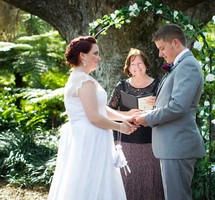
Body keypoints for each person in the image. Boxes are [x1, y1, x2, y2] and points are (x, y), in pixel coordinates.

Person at [48, 36, 137, 200]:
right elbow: (94, 117)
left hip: (88, 136)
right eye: (95, 53)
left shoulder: (79, 78)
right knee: (91, 181)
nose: (99, 57)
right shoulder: (84, 81)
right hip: (90, 138)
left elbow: (101, 109)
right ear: (83, 56)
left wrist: (126, 116)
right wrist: (120, 127)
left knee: (92, 181)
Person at [134, 24, 206, 200]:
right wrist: (156, 104)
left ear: (175, 42)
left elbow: (178, 107)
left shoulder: (187, 65)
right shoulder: (179, 65)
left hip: (177, 145)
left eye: (162, 48)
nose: (160, 54)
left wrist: (148, 118)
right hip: (172, 146)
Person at [108, 48, 164, 200]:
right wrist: (127, 115)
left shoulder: (158, 85)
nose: (137, 67)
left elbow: (168, 111)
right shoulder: (122, 86)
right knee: (127, 180)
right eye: (133, 64)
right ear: (128, 68)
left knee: (151, 180)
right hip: (126, 140)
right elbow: (108, 111)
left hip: (151, 140)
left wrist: (158, 103)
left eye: (140, 63)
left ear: (146, 65)